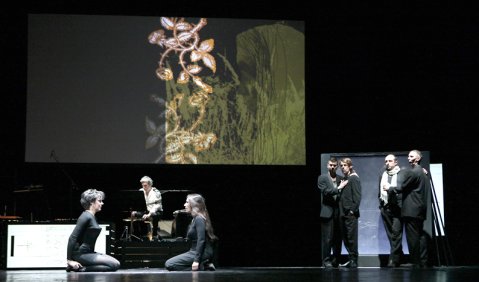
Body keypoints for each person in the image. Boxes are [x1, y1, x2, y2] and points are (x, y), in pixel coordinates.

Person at [387, 150, 428, 267]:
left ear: (418, 158)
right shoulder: (422, 172)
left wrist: (389, 188)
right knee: (420, 235)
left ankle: (415, 262)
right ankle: (423, 261)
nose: (408, 158)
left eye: (411, 156)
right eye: (408, 156)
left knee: (413, 238)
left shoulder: (414, 172)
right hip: (419, 208)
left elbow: (401, 187)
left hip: (411, 210)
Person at [66, 189, 121, 272]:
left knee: (116, 264)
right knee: (115, 264)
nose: (102, 203)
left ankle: (80, 267)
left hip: (89, 253)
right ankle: (81, 269)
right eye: (99, 201)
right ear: (91, 202)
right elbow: (72, 238)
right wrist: (69, 260)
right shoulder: (85, 216)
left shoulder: (92, 217)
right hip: (80, 254)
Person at [165, 193, 218, 271]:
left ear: (193, 205)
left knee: (169, 264)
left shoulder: (199, 219)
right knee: (170, 264)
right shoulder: (195, 218)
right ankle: (204, 265)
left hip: (201, 252)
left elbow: (201, 240)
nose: (184, 204)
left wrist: (196, 260)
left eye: (187, 202)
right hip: (194, 251)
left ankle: (203, 266)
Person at [317, 157, 348, 268]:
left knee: (337, 238)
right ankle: (326, 260)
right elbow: (325, 192)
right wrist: (339, 188)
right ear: (327, 165)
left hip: (338, 212)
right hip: (327, 212)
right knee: (327, 238)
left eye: (335, 165)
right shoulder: (322, 178)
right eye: (331, 165)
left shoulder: (340, 178)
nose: (333, 167)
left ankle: (336, 260)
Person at [379, 154, 404, 267]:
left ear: (395, 162)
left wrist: (424, 172)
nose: (387, 163)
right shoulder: (383, 174)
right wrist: (381, 205)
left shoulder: (401, 174)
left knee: (396, 234)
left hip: (398, 209)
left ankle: (393, 260)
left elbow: (404, 189)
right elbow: (379, 191)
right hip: (386, 207)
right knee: (391, 235)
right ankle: (399, 256)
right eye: (386, 161)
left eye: (390, 161)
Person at [338, 158, 362, 268]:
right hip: (343, 213)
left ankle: (354, 260)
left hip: (350, 214)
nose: (343, 167)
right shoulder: (345, 179)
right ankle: (351, 258)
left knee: (351, 238)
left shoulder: (354, 178)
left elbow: (357, 197)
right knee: (346, 238)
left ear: (350, 166)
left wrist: (352, 210)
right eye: (341, 165)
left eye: (344, 165)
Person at [131, 176, 163, 241]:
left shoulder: (156, 192)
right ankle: (135, 234)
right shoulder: (141, 191)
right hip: (145, 211)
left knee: (154, 215)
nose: (143, 187)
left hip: (156, 211)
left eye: (145, 185)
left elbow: (157, 206)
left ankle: (154, 235)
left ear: (150, 185)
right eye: (142, 185)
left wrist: (149, 214)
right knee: (133, 213)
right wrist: (135, 210)